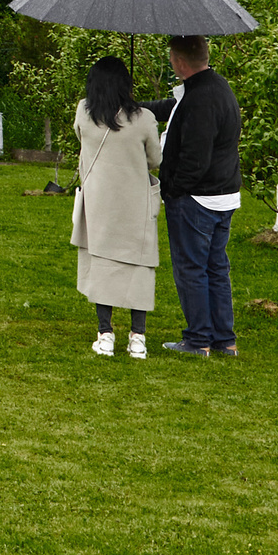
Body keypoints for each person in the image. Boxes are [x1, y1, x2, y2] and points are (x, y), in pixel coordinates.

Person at [148, 33, 243, 357]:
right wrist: (133, 106)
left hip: (197, 198)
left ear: (178, 61)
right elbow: (170, 109)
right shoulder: (215, 87)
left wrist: (173, 190)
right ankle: (223, 340)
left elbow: (195, 158)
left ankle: (198, 339)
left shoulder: (201, 99)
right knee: (215, 267)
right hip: (223, 194)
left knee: (191, 268)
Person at [71, 56, 162, 358]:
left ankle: (105, 334)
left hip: (99, 203)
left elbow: (81, 139)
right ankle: (138, 338)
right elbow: (155, 160)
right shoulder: (145, 119)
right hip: (135, 203)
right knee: (139, 265)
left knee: (103, 263)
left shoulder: (85, 112)